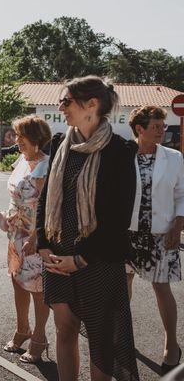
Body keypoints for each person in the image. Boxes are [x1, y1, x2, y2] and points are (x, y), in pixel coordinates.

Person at [36, 76, 139, 381]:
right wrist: (43, 243)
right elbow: (45, 199)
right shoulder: (59, 143)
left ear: (91, 104)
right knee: (64, 328)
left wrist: (81, 259)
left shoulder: (120, 150)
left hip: (98, 259)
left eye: (66, 101)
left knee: (100, 337)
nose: (60, 107)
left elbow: (118, 220)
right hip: (57, 254)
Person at [126, 106, 183, 374]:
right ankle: (122, 338)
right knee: (121, 285)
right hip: (126, 234)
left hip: (161, 233)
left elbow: (182, 194)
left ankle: (172, 345)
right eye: (156, 126)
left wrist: (178, 225)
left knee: (162, 288)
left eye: (163, 125)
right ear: (140, 129)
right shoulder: (124, 155)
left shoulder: (174, 157)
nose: (162, 130)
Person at [1, 115, 51, 363]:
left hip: (34, 236)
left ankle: (39, 339)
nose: (17, 140)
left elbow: (46, 207)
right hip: (16, 233)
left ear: (35, 138)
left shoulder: (45, 166)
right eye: (17, 135)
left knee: (37, 288)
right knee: (17, 281)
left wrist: (35, 237)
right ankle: (23, 329)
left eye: (21, 135)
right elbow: (16, 195)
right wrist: (7, 216)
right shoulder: (22, 160)